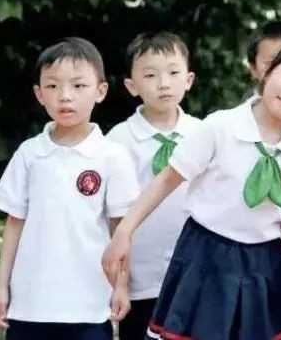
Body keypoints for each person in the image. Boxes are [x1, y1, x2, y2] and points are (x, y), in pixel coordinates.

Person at [102, 42, 281, 340]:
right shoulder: (220, 127)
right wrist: (124, 232)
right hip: (204, 255)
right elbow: (166, 180)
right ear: (266, 75)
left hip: (265, 264)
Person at [0, 38, 139, 340]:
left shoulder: (112, 156)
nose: (65, 97)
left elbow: (120, 230)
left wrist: (121, 285)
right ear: (39, 94)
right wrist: (0, 285)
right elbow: (14, 224)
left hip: (88, 304)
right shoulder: (29, 154)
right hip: (30, 304)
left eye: (78, 86)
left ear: (101, 91)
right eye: (53, 86)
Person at [106, 32, 201, 340]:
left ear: (188, 80)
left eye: (173, 73)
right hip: (140, 279)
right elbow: (112, 217)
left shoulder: (205, 134)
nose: (164, 83)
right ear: (132, 86)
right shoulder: (118, 142)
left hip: (196, 272)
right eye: (150, 75)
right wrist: (119, 281)